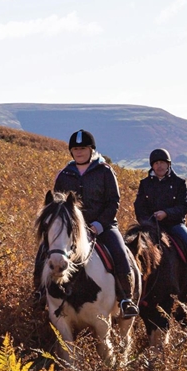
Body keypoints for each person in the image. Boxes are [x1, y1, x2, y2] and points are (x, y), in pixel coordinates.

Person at [53, 130, 140, 318]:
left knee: (119, 253)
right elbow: (57, 204)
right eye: (76, 149)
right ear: (71, 151)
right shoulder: (64, 174)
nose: (79, 152)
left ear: (91, 150)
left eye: (83, 148)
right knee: (47, 250)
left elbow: (113, 202)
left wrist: (99, 224)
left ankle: (126, 299)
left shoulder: (105, 171)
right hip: (72, 229)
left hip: (103, 227)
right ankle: (39, 292)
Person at [133, 148, 187, 301]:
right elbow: (139, 206)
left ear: (168, 164)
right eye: (156, 163)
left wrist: (166, 213)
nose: (159, 166)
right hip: (151, 226)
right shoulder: (145, 184)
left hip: (174, 224)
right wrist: (146, 222)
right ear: (152, 166)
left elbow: (185, 206)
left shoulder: (180, 183)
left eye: (162, 163)